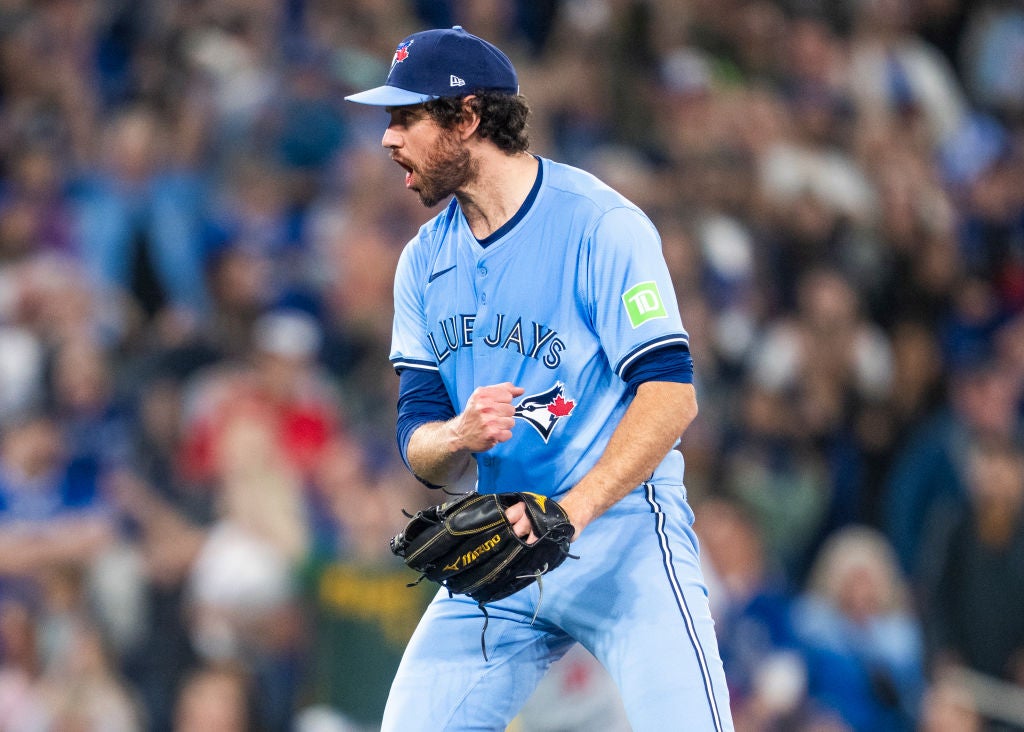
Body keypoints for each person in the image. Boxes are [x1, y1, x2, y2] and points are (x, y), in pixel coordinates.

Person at [344, 26, 734, 731]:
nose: (388, 139)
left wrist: (572, 513)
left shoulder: (601, 227)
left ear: (466, 119)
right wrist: (456, 433)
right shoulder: (422, 263)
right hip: (501, 543)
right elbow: (417, 441)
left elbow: (672, 396)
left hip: (623, 535)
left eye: (406, 118)